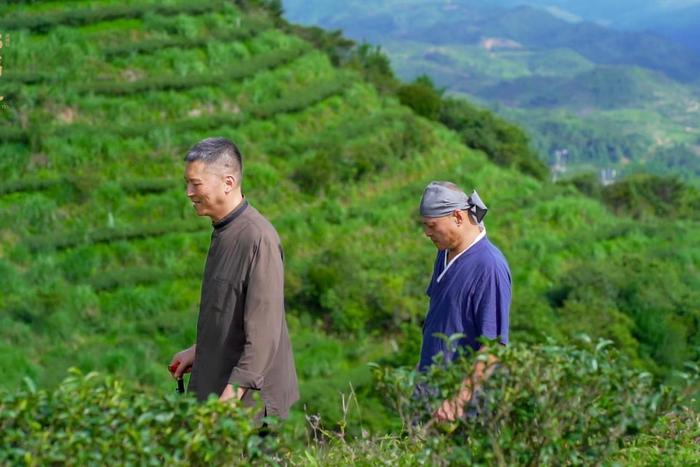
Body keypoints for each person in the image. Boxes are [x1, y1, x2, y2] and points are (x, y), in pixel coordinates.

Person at [169, 137, 299, 420]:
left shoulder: (257, 238)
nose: (189, 193)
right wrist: (199, 351)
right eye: (187, 183)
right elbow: (229, 313)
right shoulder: (224, 231)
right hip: (219, 386)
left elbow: (264, 331)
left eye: (196, 184)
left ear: (228, 182)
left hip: (248, 406)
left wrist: (231, 395)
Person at [418, 181, 511, 422]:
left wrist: (458, 401)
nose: (427, 233)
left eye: (432, 225)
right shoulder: (445, 252)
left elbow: (493, 347)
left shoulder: (489, 267)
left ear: (458, 217)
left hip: (460, 409)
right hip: (429, 395)